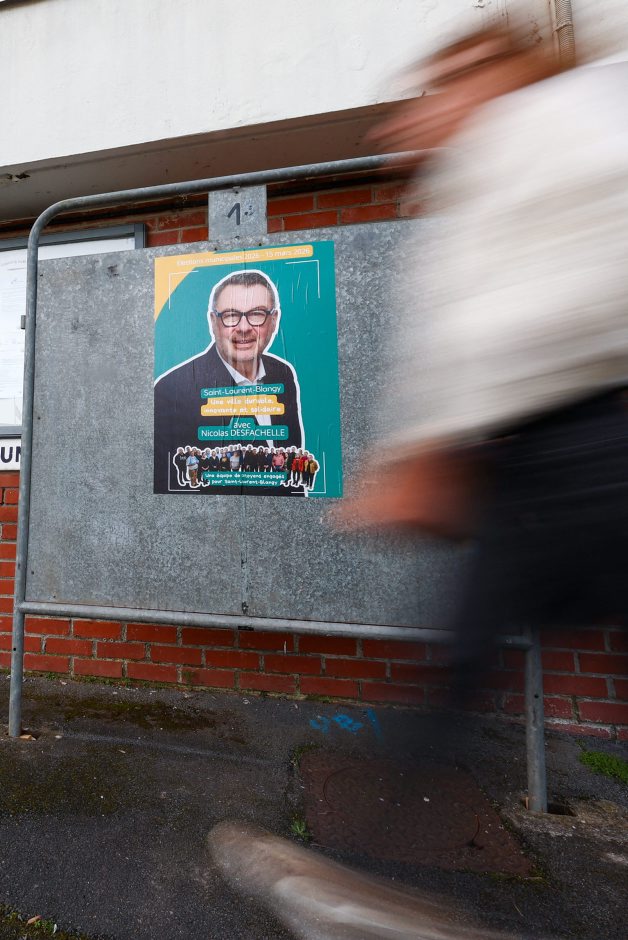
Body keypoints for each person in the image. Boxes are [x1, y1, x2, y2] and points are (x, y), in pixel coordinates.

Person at [210, 20, 628, 939]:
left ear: (508, 70)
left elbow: (508, 315)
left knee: (461, 655)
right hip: (534, 444)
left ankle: (368, 881)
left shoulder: (560, 122)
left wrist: (429, 448)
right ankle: (369, 883)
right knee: (459, 654)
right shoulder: (496, 163)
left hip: (588, 431)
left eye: (447, 84)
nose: (418, 117)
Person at [154, 270, 304, 493]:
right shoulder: (171, 390)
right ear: (213, 322)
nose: (243, 328)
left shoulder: (282, 373)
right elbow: (169, 489)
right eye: (231, 315)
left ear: (274, 321)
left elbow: (292, 468)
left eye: (257, 314)